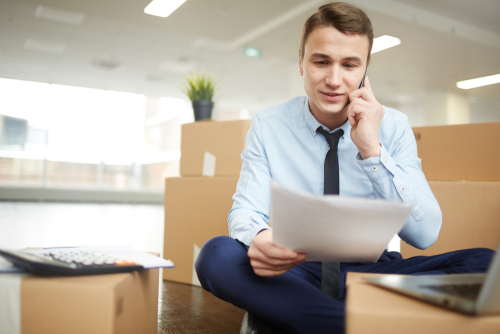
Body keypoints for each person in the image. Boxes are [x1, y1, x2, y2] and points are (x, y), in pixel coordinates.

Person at [195, 3, 494, 334]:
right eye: (321, 61)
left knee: (486, 264)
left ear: (365, 70)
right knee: (215, 256)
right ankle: (359, 321)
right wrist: (261, 238)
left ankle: (295, 313)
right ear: (301, 63)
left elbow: (425, 236)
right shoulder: (268, 125)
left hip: (371, 271)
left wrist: (372, 150)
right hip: (297, 268)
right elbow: (245, 213)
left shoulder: (393, 127)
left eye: (349, 64)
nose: (334, 80)